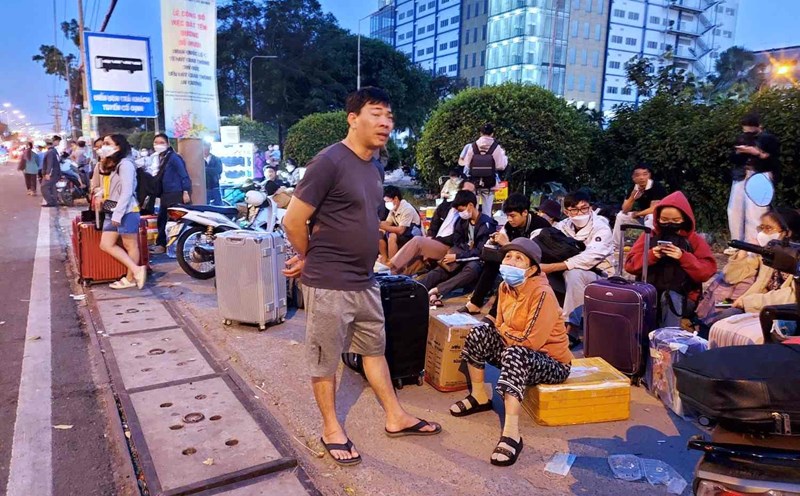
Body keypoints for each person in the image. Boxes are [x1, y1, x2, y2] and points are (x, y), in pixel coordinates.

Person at [281, 87, 441, 466]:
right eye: (376, 113)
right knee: (325, 360)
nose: (386, 122)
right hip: (329, 283)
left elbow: (363, 219)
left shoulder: (375, 166)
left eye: (389, 116)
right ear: (352, 118)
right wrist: (310, 257)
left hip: (366, 280)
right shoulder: (328, 162)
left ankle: (395, 415)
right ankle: (331, 427)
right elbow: (293, 220)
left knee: (374, 351)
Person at [449, 238, 571, 467]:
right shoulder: (505, 287)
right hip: (516, 347)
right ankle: (479, 396)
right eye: (508, 257)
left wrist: (502, 330)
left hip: (552, 362)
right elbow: (497, 324)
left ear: (532, 269)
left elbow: (531, 342)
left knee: (515, 353)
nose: (510, 262)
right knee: (478, 333)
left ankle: (512, 433)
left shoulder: (542, 293)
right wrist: (500, 329)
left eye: (518, 258)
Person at [625, 191, 717, 328]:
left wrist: (683, 257)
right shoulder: (648, 236)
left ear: (685, 219)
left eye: (675, 221)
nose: (669, 224)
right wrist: (651, 256)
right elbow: (630, 265)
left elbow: (707, 271)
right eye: (664, 220)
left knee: (670, 298)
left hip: (682, 297)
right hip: (649, 291)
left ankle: (668, 341)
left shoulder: (694, 240)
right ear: (657, 218)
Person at [708, 208, 800, 346]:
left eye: (769, 228)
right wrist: (742, 254)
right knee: (718, 319)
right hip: (759, 308)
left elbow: (791, 297)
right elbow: (731, 278)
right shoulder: (768, 253)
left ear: (788, 233)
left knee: (727, 318)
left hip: (782, 314)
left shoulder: (795, 257)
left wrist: (748, 302)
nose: (763, 233)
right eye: (761, 228)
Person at [538, 191, 614, 341]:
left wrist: (553, 266)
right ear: (567, 212)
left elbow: (589, 258)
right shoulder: (563, 226)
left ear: (590, 208)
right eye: (574, 210)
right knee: (538, 272)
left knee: (574, 273)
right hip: (565, 271)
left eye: (584, 208)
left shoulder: (601, 228)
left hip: (599, 274)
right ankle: (544, 320)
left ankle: (571, 328)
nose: (580, 213)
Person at [460, 193, 552, 314]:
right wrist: (494, 240)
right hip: (518, 260)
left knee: (510, 270)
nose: (509, 219)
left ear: (525, 213)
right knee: (491, 264)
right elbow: (504, 240)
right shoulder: (510, 225)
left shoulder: (540, 225)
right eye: (508, 216)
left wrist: (507, 244)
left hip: (536, 263)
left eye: (513, 216)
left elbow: (533, 253)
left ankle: (495, 314)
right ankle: (475, 303)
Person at [377, 180, 476, 275]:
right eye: (465, 192)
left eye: (471, 192)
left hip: (447, 246)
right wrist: (430, 238)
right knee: (411, 266)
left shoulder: (467, 215)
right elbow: (433, 225)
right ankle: (392, 274)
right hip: (434, 240)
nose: (467, 195)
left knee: (417, 241)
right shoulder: (445, 207)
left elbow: (460, 239)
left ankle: (390, 264)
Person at [418, 190, 497, 306]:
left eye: (461, 210)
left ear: (470, 205)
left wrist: (458, 257)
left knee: (471, 269)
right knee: (443, 267)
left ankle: (438, 290)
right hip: (463, 255)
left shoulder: (486, 224)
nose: (461, 213)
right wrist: (457, 255)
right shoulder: (462, 222)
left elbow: (480, 251)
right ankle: (416, 286)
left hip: (478, 261)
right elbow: (457, 241)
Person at [90, 134, 147, 290]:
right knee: (106, 244)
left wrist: (118, 214)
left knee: (130, 245)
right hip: (112, 208)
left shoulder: (126, 164)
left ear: (118, 147)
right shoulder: (112, 164)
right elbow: (112, 188)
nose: (103, 146)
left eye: (107, 143)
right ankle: (136, 270)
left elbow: (127, 191)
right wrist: (101, 193)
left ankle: (130, 278)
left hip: (126, 211)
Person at [728, 112, 781, 245]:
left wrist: (757, 153)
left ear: (759, 127)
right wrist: (740, 152)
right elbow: (733, 159)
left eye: (751, 131)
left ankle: (754, 245)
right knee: (734, 210)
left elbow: (773, 160)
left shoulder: (769, 139)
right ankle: (737, 244)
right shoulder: (741, 138)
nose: (748, 134)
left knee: (755, 212)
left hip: (760, 175)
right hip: (742, 175)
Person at [151, 133, 191, 254]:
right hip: (165, 193)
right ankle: (162, 244)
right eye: (156, 143)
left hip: (175, 193)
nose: (158, 145)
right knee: (162, 219)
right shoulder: (159, 157)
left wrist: (185, 191)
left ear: (168, 144)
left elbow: (183, 174)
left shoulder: (173, 157)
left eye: (161, 143)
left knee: (173, 220)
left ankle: (170, 245)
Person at [613, 164, 667, 250]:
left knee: (651, 217)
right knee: (621, 216)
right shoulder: (634, 188)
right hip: (642, 216)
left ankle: (648, 247)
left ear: (649, 175)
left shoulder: (656, 187)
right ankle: (617, 247)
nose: (642, 178)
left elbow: (655, 209)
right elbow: (625, 210)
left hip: (658, 217)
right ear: (633, 178)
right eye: (638, 175)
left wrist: (638, 213)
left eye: (645, 174)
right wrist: (632, 198)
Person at [461, 123, 508, 217]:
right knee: (487, 210)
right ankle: (486, 228)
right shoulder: (496, 147)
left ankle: (473, 229)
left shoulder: (473, 146)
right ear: (492, 134)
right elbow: (501, 166)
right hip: (489, 182)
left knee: (473, 208)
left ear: (480, 133)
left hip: (474, 182)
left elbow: (466, 164)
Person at [378, 185, 421, 262]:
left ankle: (392, 263)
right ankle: (384, 259)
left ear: (396, 199)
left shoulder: (407, 209)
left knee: (392, 236)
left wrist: (381, 225)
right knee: (379, 234)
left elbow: (401, 230)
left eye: (388, 201)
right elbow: (388, 222)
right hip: (402, 231)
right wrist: (377, 223)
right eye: (385, 202)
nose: (386, 204)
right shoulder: (393, 209)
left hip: (412, 233)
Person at [40, 135, 64, 207]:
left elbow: (50, 163)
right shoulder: (54, 151)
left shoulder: (50, 152)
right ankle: (54, 202)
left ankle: (51, 202)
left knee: (44, 187)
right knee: (53, 187)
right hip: (56, 173)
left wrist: (48, 173)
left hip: (52, 174)